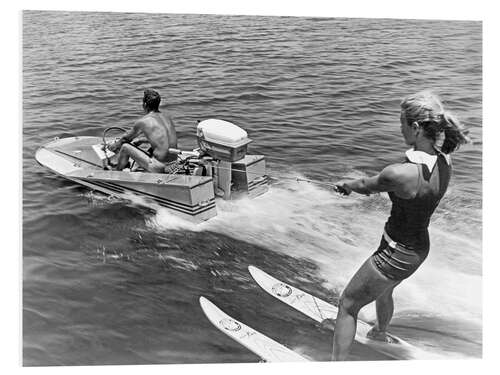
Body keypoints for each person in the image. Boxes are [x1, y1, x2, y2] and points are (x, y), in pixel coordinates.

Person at [331, 90, 470, 361]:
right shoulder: (445, 161)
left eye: (402, 123)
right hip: (418, 249)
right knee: (386, 289)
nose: (400, 128)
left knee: (347, 304)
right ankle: (380, 332)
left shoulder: (400, 173)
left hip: (395, 254)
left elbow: (364, 186)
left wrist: (345, 185)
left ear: (416, 128)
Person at [108, 89, 178, 173]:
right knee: (151, 149)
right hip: (173, 165)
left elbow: (125, 139)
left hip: (159, 167)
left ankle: (116, 171)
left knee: (125, 147)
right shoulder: (167, 117)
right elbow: (163, 139)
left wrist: (113, 146)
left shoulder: (143, 121)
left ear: (144, 104)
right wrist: (141, 140)